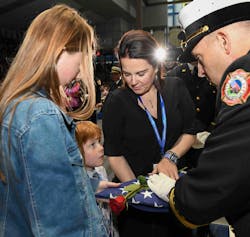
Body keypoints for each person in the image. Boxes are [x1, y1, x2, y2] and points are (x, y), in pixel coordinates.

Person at [0, 4, 117, 237]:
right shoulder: (41, 116)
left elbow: (33, 188)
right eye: (82, 56)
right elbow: (62, 224)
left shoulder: (16, 106)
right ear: (60, 51)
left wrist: (90, 186)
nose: (81, 69)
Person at [147, 1, 250, 237]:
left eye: (200, 58)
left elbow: (222, 178)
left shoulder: (243, 75)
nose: (200, 71)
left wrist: (178, 193)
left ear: (223, 41)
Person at [102, 29, 200, 237]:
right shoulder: (116, 102)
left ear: (155, 66)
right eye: (126, 73)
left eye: (141, 73)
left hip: (176, 193)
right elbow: (115, 154)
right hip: (139, 206)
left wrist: (170, 157)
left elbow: (190, 131)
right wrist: (137, 193)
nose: (133, 81)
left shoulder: (176, 88)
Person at [167, 61, 217, 168]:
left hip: (205, 133)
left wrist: (211, 131)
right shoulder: (178, 72)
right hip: (182, 135)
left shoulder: (213, 71)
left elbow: (217, 105)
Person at [75, 121, 119, 237]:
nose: (101, 148)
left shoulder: (101, 170)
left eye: (99, 142)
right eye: (92, 145)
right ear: (76, 151)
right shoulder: (76, 180)